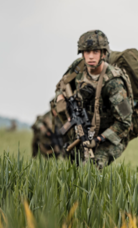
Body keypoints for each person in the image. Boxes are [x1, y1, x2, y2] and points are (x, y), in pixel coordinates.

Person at [54, 30, 133, 170]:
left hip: (110, 134)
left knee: (93, 168)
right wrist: (60, 97)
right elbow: (62, 84)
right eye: (86, 52)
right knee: (75, 166)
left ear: (103, 53)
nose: (90, 56)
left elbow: (124, 123)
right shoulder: (78, 67)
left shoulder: (113, 82)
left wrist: (98, 139)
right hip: (84, 126)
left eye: (95, 52)